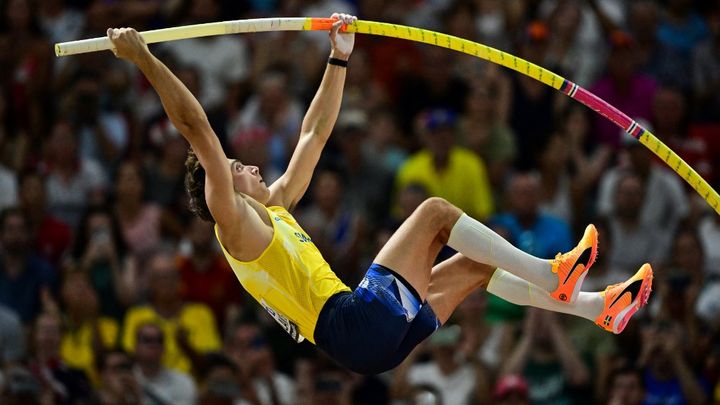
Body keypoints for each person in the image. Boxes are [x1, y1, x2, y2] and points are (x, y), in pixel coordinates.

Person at [106, 13, 653, 375]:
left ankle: (596, 308)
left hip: (366, 344)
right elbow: (196, 128)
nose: (243, 165)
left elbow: (313, 135)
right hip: (351, 321)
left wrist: (338, 57)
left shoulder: (271, 210)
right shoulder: (233, 224)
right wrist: (145, 60)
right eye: (231, 167)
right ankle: (551, 272)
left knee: (474, 266)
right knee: (435, 213)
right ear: (217, 187)